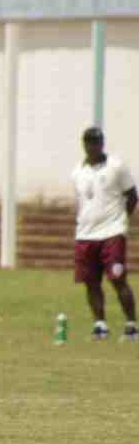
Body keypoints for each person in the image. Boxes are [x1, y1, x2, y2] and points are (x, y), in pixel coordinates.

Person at [71, 127, 137, 342]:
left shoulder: (116, 167)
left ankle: (131, 326)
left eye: (97, 142)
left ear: (102, 144)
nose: (93, 146)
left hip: (112, 233)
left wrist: (121, 220)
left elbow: (132, 195)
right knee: (91, 282)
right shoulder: (78, 172)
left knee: (118, 279)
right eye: (89, 142)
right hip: (86, 235)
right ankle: (100, 325)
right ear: (84, 144)